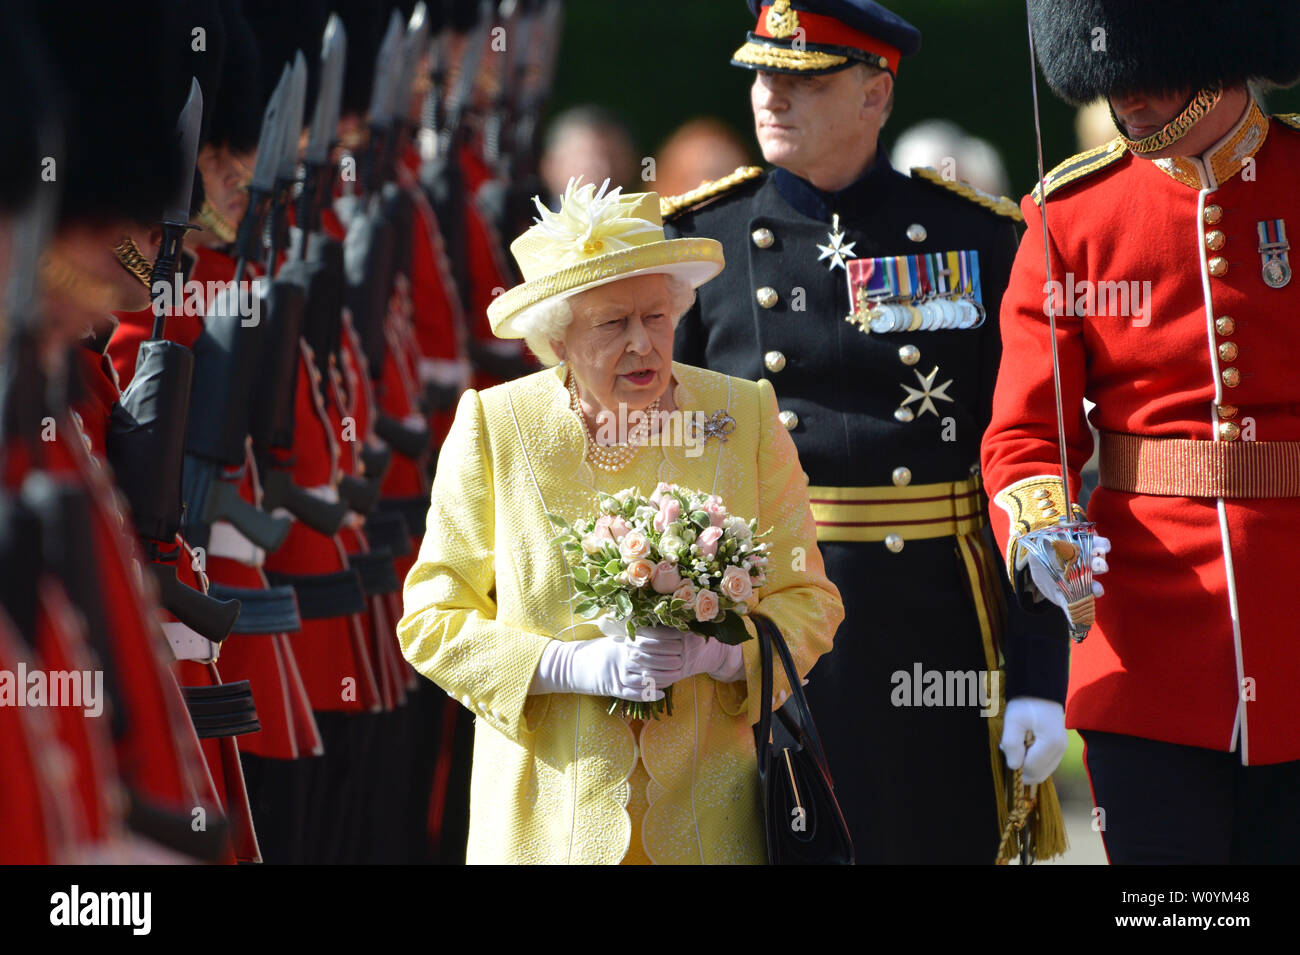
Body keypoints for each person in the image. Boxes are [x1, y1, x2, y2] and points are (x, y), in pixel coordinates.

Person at [665, 0, 1068, 863]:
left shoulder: (980, 237)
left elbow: (1029, 461)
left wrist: (1039, 673)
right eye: (762, 75)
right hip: (771, 626)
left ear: (876, 93)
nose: (771, 97)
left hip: (936, 619)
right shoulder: (700, 244)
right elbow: (662, 464)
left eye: (802, 79)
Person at [398, 179, 843, 864]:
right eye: (611, 323)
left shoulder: (743, 415)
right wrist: (566, 664)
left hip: (714, 826)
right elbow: (430, 619)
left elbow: (809, 600)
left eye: (657, 317)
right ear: (558, 336)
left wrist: (722, 655)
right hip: (545, 828)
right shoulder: (496, 427)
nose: (642, 343)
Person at [983, 0, 1300, 864]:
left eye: (1151, 74)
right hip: (1150, 645)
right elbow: (1026, 434)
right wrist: (1044, 530)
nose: (1131, 101)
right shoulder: (1074, 215)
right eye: (1114, 80)